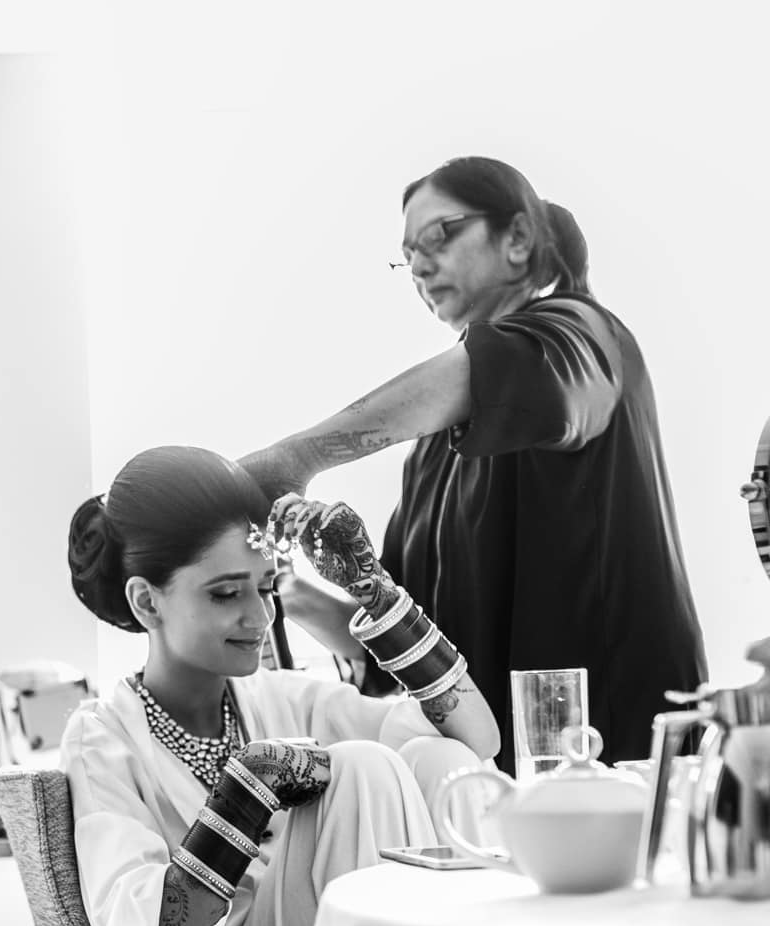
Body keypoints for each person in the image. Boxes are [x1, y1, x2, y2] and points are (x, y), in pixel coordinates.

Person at [240, 155, 706, 767]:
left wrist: (294, 456)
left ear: (517, 238)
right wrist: (289, 594)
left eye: (438, 235)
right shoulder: (434, 449)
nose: (420, 266)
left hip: (612, 753)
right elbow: (403, 634)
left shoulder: (585, 335)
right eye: (407, 256)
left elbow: (504, 369)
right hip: (488, 774)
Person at [62, 445, 498, 926]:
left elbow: (475, 743)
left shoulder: (281, 698)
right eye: (226, 593)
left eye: (265, 588)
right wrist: (249, 791)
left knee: (434, 758)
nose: (258, 616)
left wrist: (372, 588)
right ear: (147, 602)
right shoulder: (103, 738)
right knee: (361, 770)